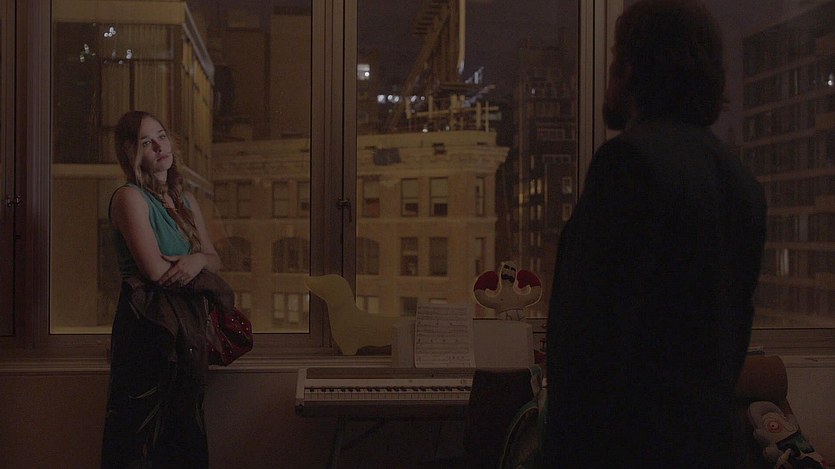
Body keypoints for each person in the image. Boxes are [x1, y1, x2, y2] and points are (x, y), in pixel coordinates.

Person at [545, 1, 767, 467]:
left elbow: (588, 349)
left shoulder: (629, 164)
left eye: (614, 55)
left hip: (630, 450)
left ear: (631, 68)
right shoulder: (740, 182)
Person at [101, 110, 226, 468]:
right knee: (141, 436)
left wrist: (196, 261)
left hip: (187, 329)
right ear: (131, 153)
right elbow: (155, 271)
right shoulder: (129, 198)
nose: (159, 146)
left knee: (184, 430)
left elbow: (214, 260)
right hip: (148, 327)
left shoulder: (185, 200)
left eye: (161, 136)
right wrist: (196, 263)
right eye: (146, 142)